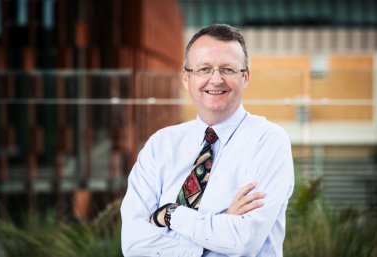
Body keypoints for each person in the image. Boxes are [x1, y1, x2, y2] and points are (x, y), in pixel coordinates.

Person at [121, 24, 294, 257]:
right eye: (204, 69)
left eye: (228, 69)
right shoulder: (159, 146)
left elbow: (244, 241)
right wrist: (220, 224)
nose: (216, 79)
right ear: (186, 78)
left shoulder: (269, 142)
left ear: (246, 77)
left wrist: (170, 214)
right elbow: (133, 244)